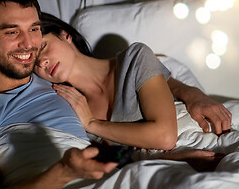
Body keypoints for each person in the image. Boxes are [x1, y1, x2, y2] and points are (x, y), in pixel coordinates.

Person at [0, 0, 119, 189]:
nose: (28, 44)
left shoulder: (54, 77)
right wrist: (63, 171)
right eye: (12, 32)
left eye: (34, 29)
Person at [35, 13, 232, 150]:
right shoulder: (72, 108)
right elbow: (118, 160)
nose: (42, 62)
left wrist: (93, 124)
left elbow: (164, 136)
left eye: (43, 47)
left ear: (64, 34)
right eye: (34, 62)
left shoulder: (134, 58)